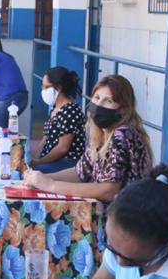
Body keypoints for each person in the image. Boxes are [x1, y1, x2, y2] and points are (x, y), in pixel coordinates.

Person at [24, 74, 152, 202]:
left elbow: (108, 191)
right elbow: (80, 172)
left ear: (123, 110)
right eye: (96, 98)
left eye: (108, 101)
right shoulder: (101, 133)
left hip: (128, 216)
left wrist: (50, 185)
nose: (99, 105)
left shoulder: (122, 134)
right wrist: (42, 179)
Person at [29, 66, 86, 174]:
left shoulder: (70, 111)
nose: (43, 90)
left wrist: (39, 162)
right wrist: (35, 159)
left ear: (58, 88)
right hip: (52, 161)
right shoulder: (55, 108)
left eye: (46, 87)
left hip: (67, 163)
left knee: (32, 174)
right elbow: (45, 138)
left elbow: (62, 148)